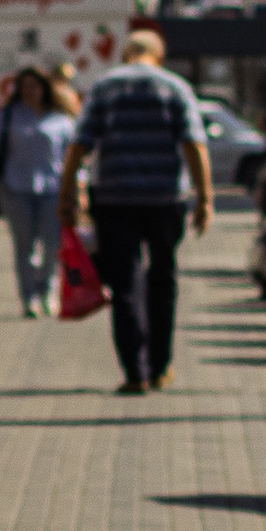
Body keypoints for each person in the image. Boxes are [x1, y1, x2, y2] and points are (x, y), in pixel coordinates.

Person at [64, 24, 214, 394]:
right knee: (163, 279)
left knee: (125, 283)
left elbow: (79, 145)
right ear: (159, 57)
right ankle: (161, 367)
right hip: (165, 200)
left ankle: (135, 372)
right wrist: (205, 199)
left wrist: (66, 194)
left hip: (114, 199)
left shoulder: (104, 87)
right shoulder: (174, 87)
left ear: (125, 54)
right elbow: (195, 145)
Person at [0, 62, 76, 316]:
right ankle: (29, 296)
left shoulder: (61, 119)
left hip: (53, 189)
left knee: (53, 244)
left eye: (35, 86)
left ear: (45, 88)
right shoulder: (8, 115)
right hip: (15, 187)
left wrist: (79, 190)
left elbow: (74, 159)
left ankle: (48, 291)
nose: (30, 91)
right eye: (25, 86)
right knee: (26, 245)